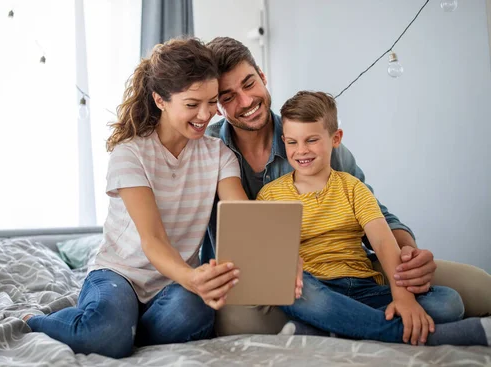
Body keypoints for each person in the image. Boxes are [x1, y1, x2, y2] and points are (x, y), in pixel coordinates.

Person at [203, 37, 491, 336]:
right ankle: (384, 329)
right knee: (242, 318)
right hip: (285, 285)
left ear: (263, 76)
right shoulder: (208, 151)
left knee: (472, 291)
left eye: (249, 84)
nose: (246, 101)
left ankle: (339, 326)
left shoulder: (317, 137)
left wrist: (407, 257)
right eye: (228, 96)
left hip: (355, 270)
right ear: (216, 105)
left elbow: (380, 221)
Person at [25, 38, 247, 358]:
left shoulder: (219, 156)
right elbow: (153, 239)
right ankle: (37, 322)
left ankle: (123, 331)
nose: (205, 114)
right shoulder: (130, 153)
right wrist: (192, 277)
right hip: (120, 277)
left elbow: (241, 215)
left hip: (173, 285)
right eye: (192, 104)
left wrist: (272, 256)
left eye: (212, 102)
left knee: (197, 311)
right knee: (104, 335)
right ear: (160, 99)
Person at [257, 91, 490, 346]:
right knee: (293, 293)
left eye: (312, 140)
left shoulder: (353, 187)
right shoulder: (270, 194)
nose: (301, 151)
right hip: (313, 287)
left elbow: (382, 241)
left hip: (362, 287)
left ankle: (331, 328)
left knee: (448, 302)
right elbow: (268, 252)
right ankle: (431, 336)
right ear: (284, 141)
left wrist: (403, 297)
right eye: (292, 142)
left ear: (336, 138)